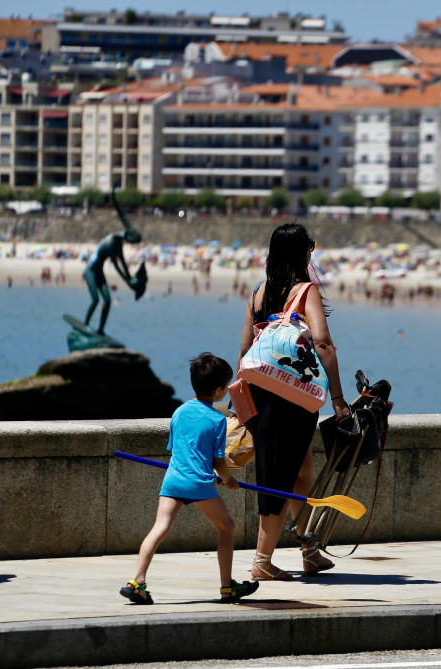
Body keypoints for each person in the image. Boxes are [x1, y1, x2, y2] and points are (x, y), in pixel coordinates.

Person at [236, 223, 351, 581]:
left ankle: (308, 549)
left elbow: (244, 349)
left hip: (259, 391)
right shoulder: (305, 290)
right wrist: (338, 398)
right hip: (293, 396)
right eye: (310, 247)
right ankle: (261, 561)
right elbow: (323, 343)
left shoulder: (258, 292)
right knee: (278, 475)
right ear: (303, 252)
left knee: (300, 469)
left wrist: (241, 397)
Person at [120, 353, 259, 604]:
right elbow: (218, 461)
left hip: (173, 479)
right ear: (218, 390)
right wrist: (227, 480)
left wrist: (212, 472)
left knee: (159, 529)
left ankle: (136, 581)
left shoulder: (179, 411)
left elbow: (177, 450)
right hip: (198, 483)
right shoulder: (218, 419)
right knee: (226, 527)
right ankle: (227, 587)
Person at [83, 186, 146, 335]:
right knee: (95, 300)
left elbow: (122, 264)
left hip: (98, 271)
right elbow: (117, 265)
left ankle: (100, 330)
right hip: (90, 270)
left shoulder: (119, 242)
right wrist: (128, 280)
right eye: (132, 242)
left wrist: (130, 281)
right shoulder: (112, 242)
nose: (132, 245)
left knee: (108, 301)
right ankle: (85, 324)